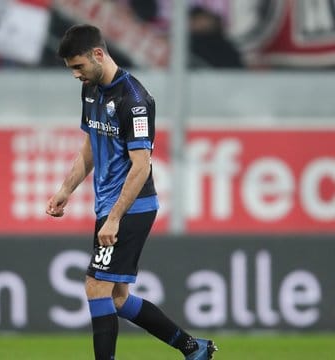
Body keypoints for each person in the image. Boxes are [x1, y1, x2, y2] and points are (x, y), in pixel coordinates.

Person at [46, 24, 217, 360]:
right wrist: (65, 189)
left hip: (131, 208)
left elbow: (142, 166)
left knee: (96, 287)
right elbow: (90, 147)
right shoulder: (91, 90)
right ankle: (192, 348)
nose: (75, 75)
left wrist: (113, 218)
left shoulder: (134, 100)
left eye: (78, 66)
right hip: (109, 208)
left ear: (98, 54)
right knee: (118, 298)